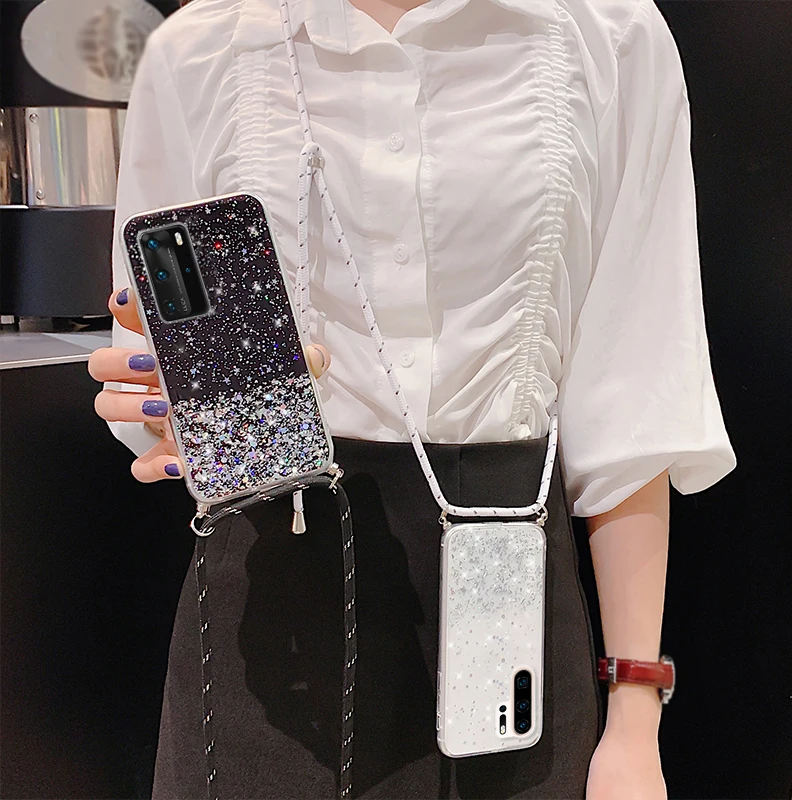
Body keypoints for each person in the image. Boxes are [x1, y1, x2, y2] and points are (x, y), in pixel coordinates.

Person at [88, 0, 737, 796]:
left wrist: (634, 725)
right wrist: (185, 414)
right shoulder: (200, 48)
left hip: (509, 622)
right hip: (270, 610)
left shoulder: (610, 31)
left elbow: (634, 396)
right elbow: (161, 359)